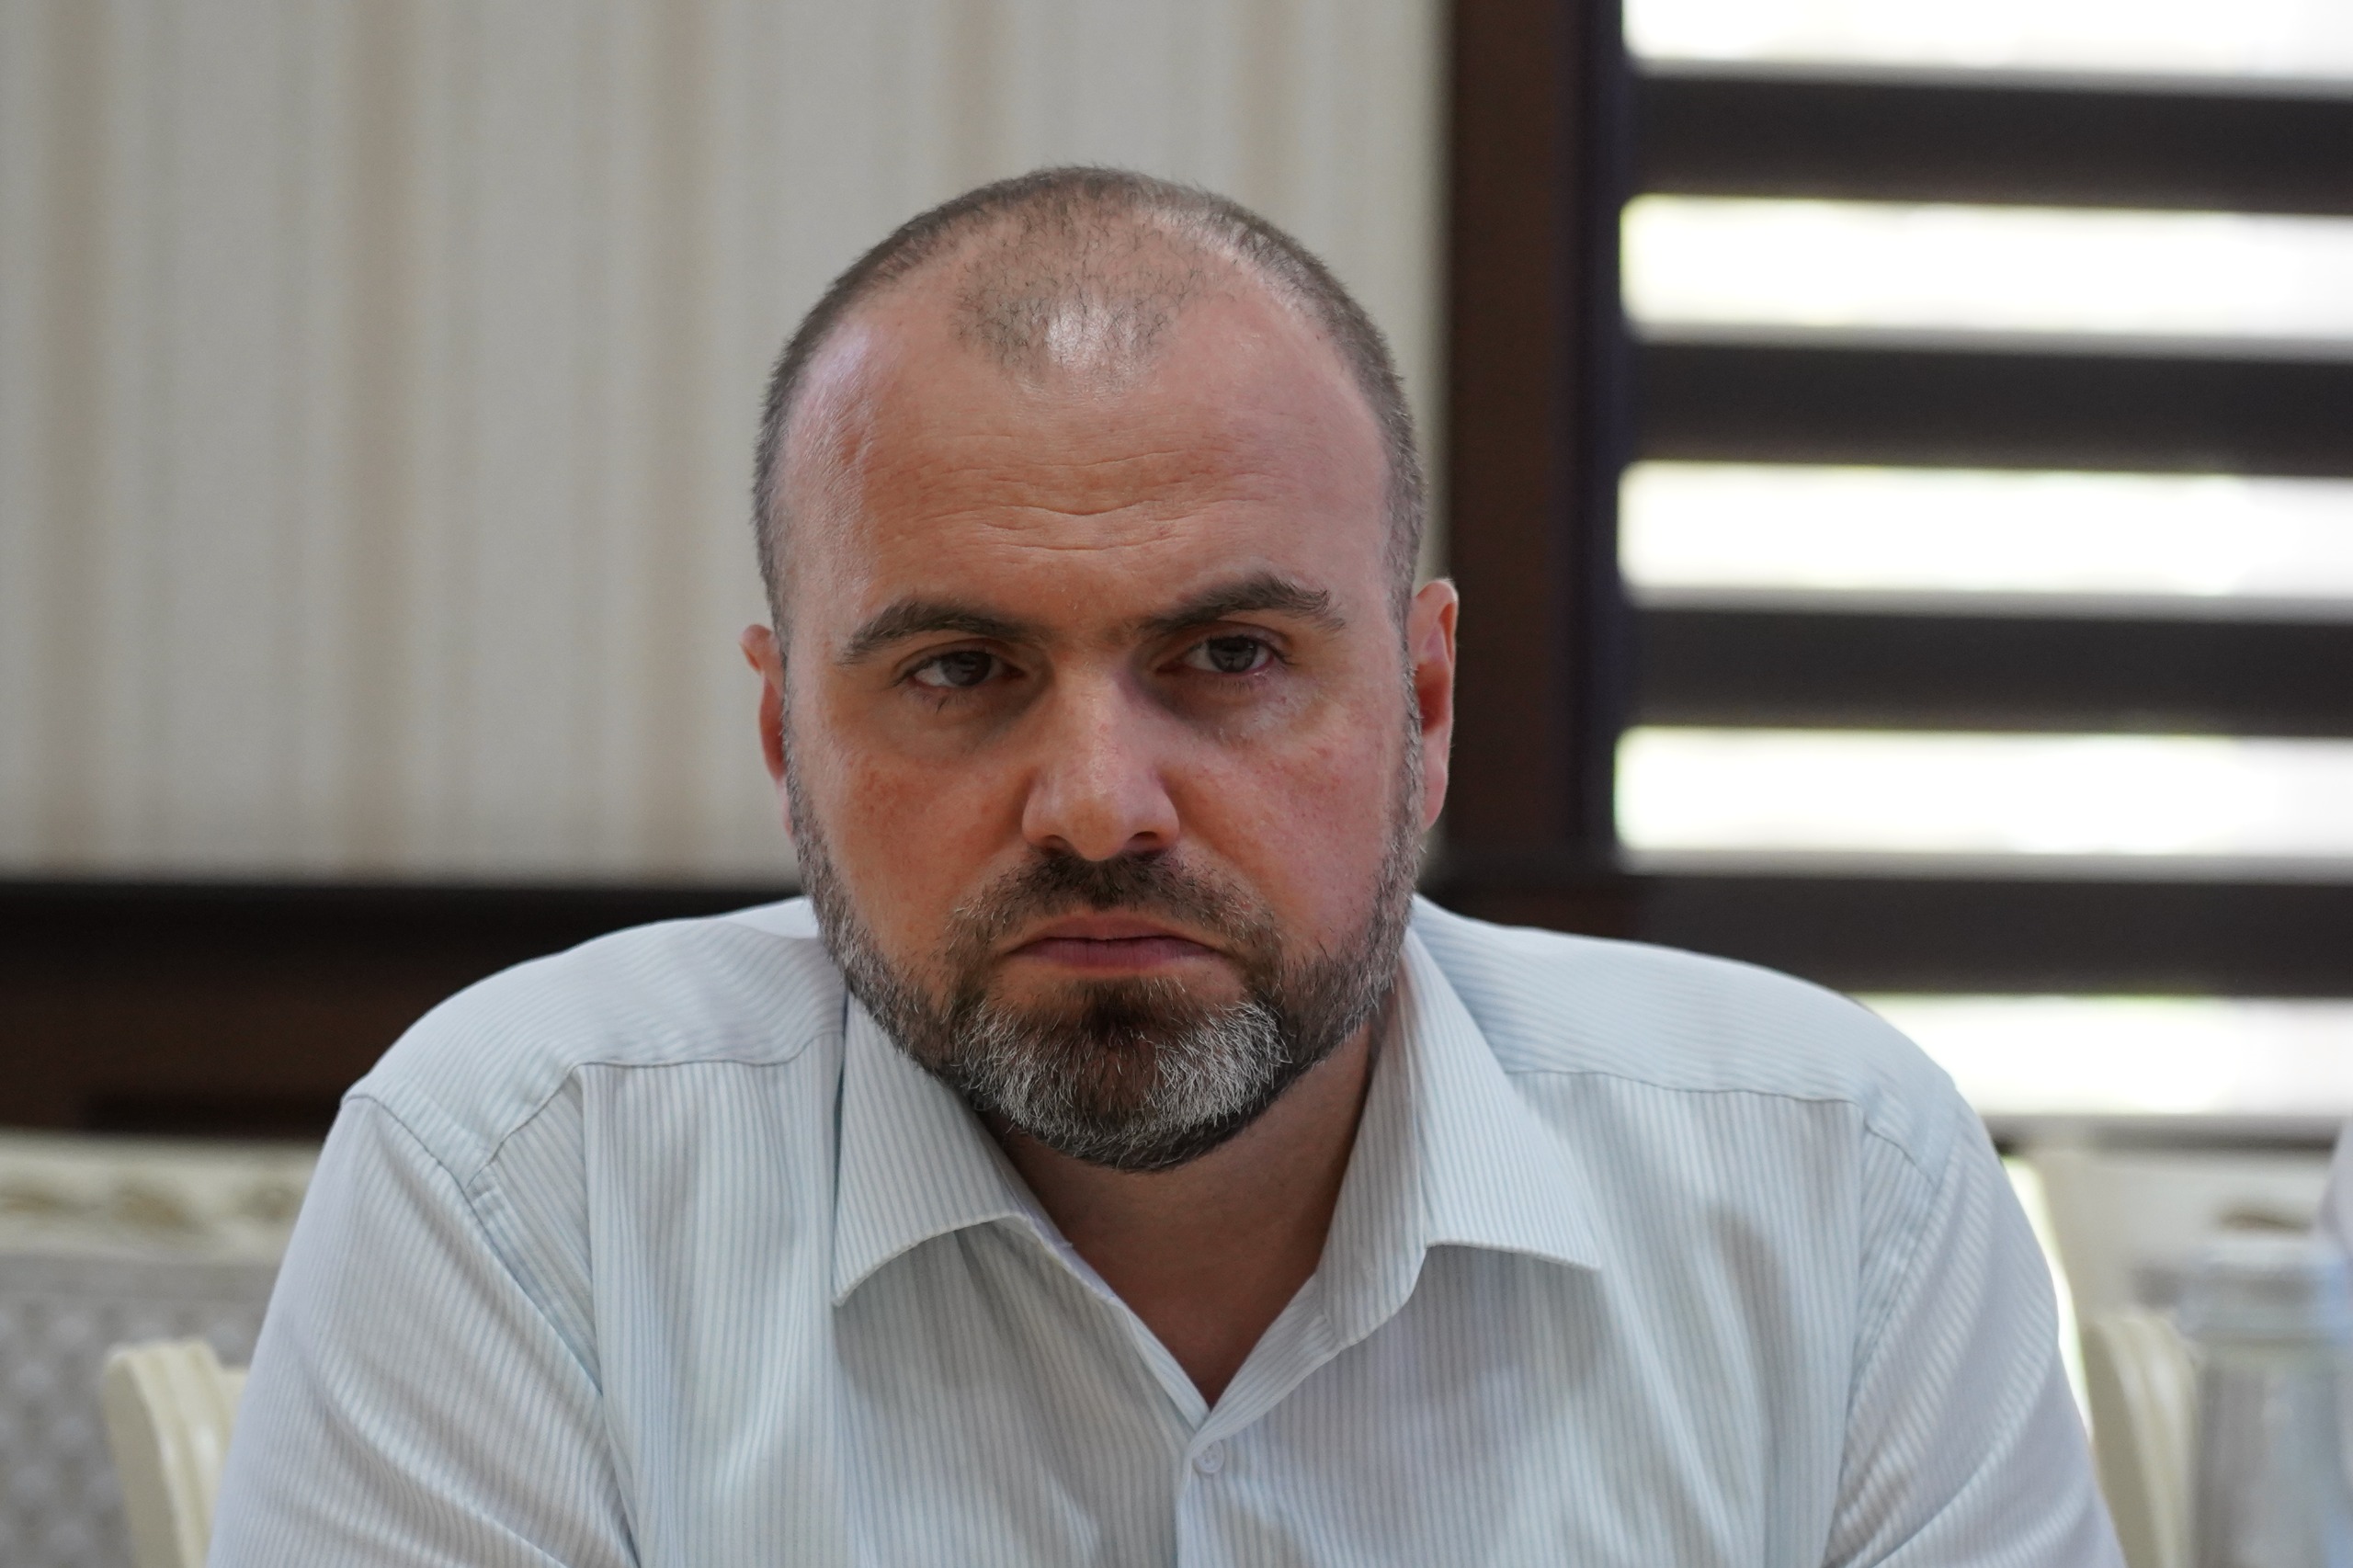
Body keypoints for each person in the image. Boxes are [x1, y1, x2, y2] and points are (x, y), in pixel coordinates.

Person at [210, 168, 2120, 1566]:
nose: (1099, 805)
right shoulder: (523, 1184)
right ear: (788, 733)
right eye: (959, 671)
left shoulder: (1830, 1186)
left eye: (1228, 656)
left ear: (1425, 700)